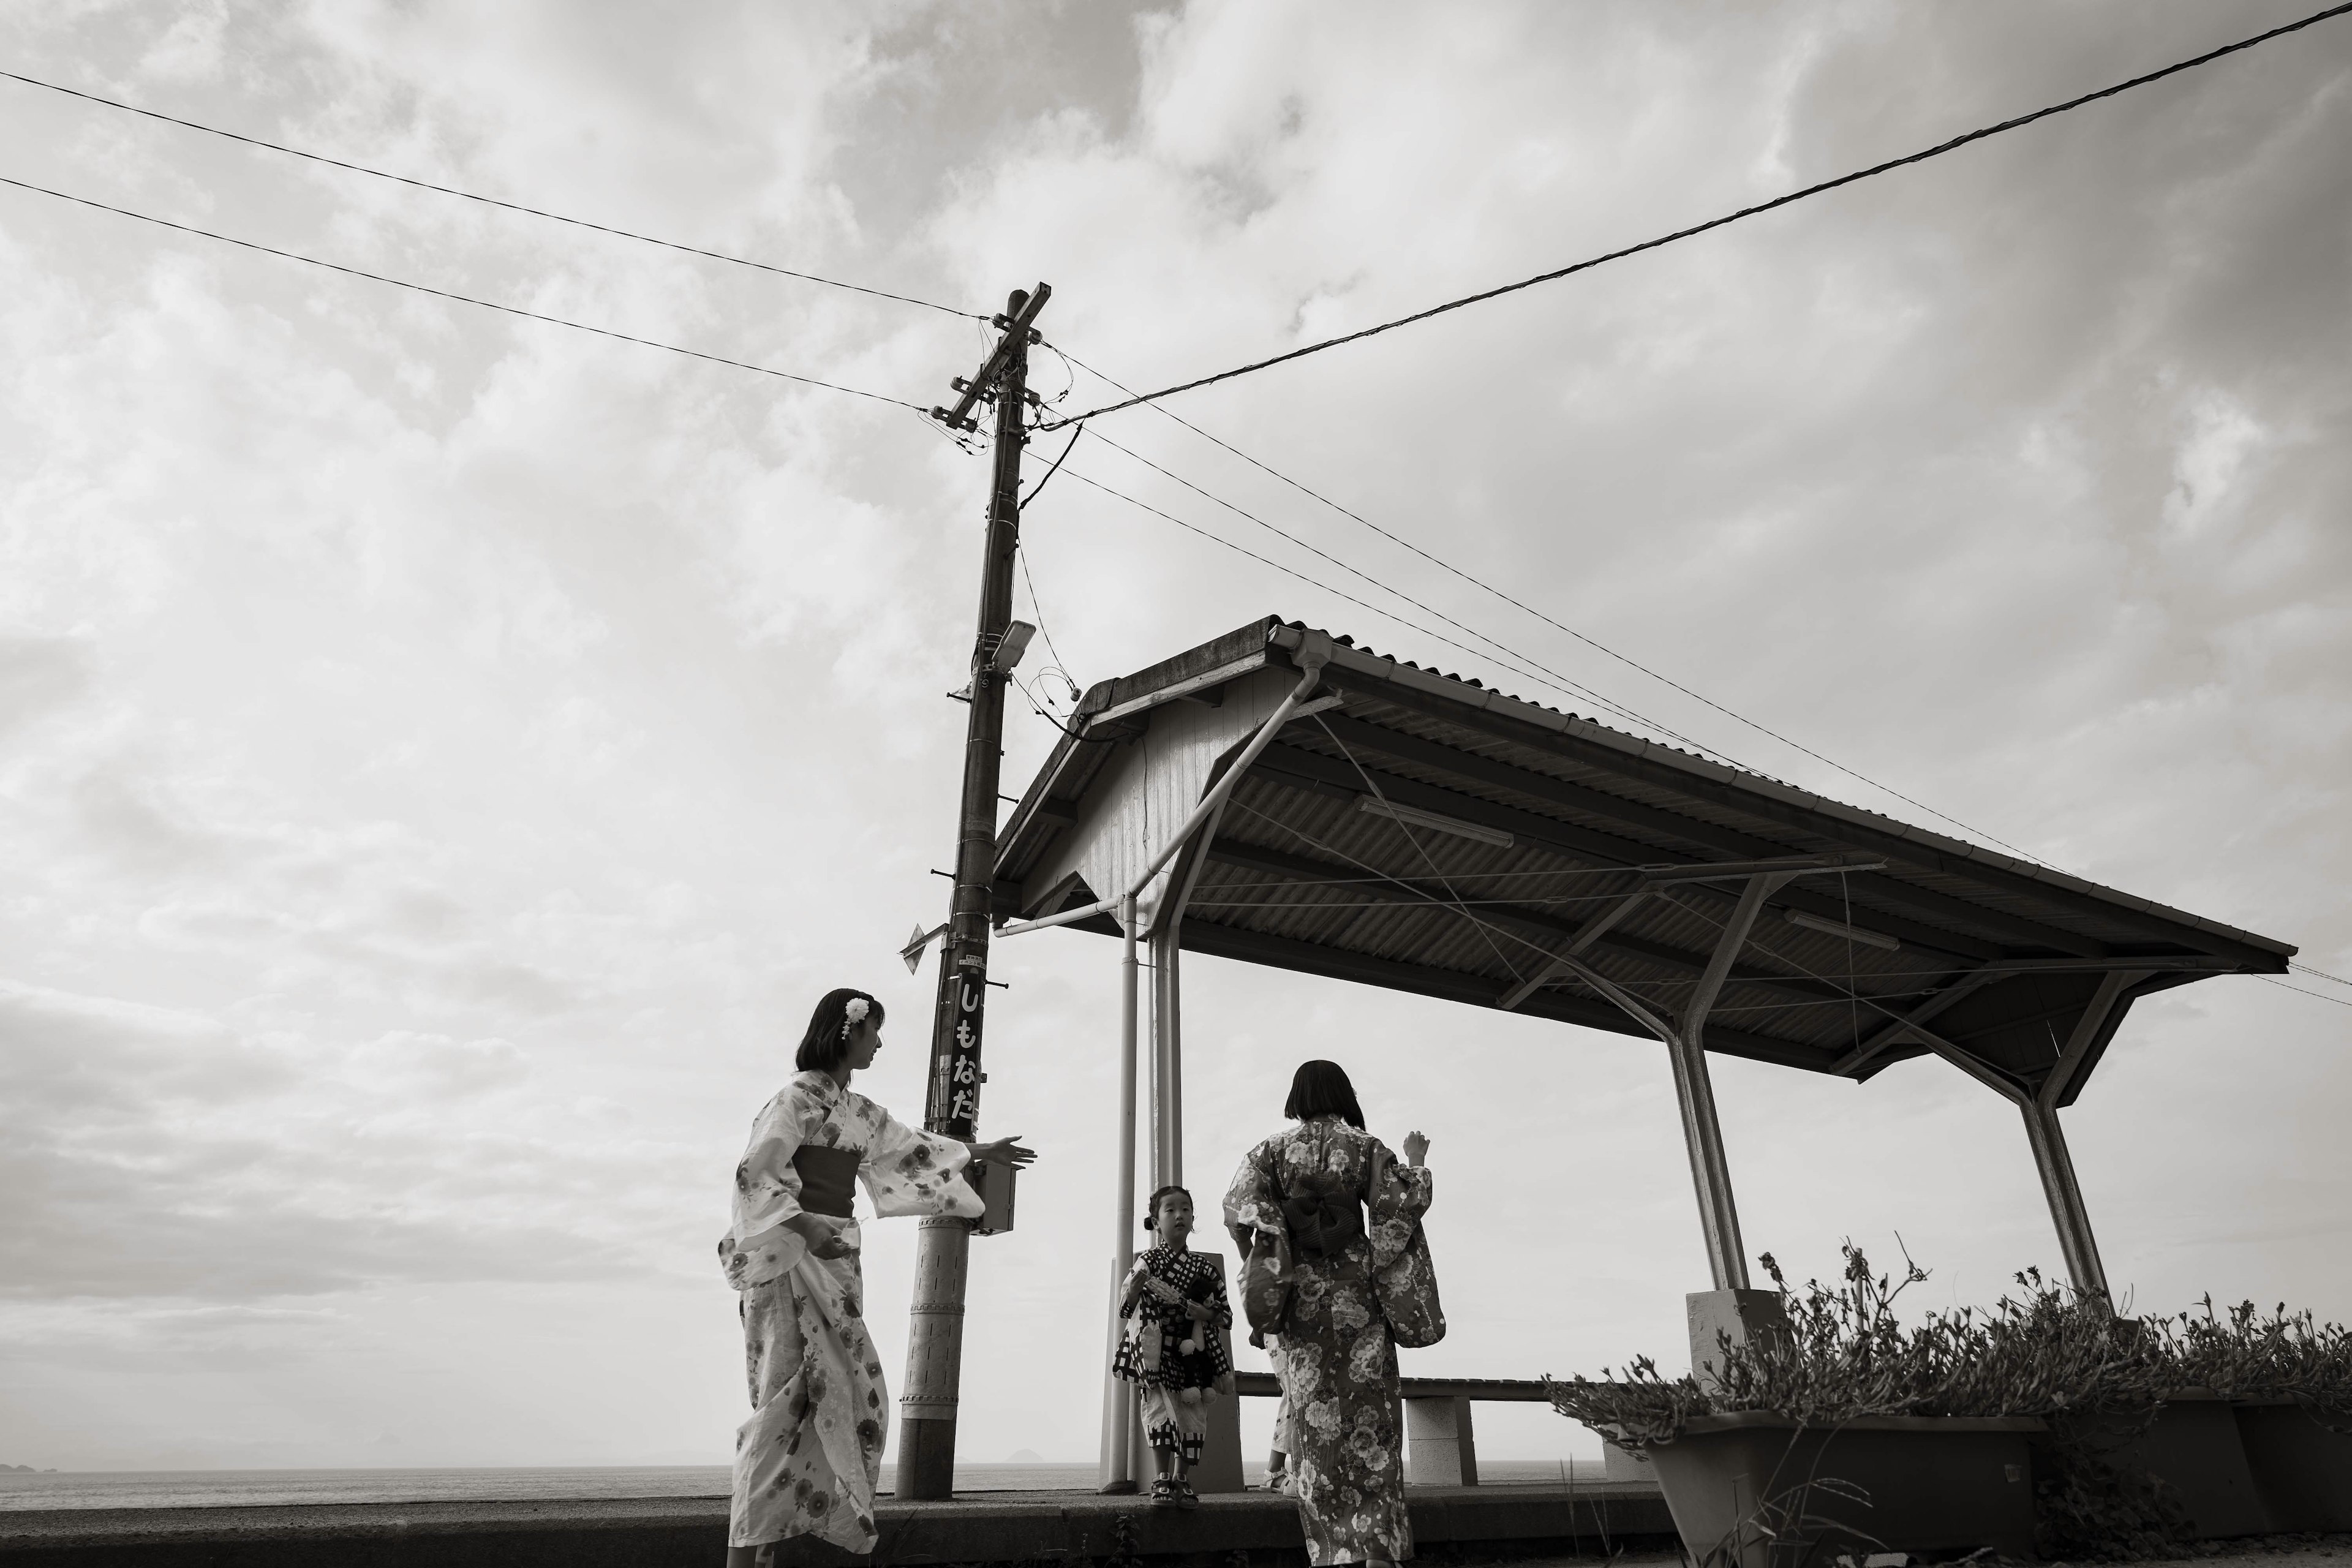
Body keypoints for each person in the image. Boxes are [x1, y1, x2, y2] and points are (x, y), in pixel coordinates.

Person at [717, 988, 1035, 1564]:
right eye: (875, 1032)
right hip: (790, 1262)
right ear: (848, 1031)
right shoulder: (794, 1100)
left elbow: (913, 1148)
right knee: (783, 1401)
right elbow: (756, 1172)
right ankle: (746, 1556)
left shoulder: (860, 1112)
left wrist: (979, 1149)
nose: (881, 1042)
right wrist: (804, 1226)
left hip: (836, 1261)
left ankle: (773, 1548)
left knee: (848, 1394)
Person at [1226, 1060, 1432, 1567]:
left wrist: (1265, 1254)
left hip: (1304, 1301)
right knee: (1374, 1422)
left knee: (1314, 1425)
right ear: (1343, 1093)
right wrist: (1415, 1160)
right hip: (1358, 1297)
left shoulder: (1270, 1151)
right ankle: (1379, 1550)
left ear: (1298, 1095)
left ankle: (1333, 1553)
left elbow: (1236, 1210)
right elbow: (1401, 1206)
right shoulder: (1364, 1146)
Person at [1112, 1185, 1235, 1507]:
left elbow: (1226, 1316)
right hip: (1158, 1349)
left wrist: (1204, 1312)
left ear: (1193, 1217)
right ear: (1155, 1220)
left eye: (1185, 1209)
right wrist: (1136, 1292)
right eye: (1170, 1210)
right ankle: (1160, 1478)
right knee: (1159, 1412)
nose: (1178, 1215)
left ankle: (1183, 1478)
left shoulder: (1205, 1269)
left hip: (1195, 1352)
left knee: (1193, 1414)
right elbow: (1125, 1309)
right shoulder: (1147, 1262)